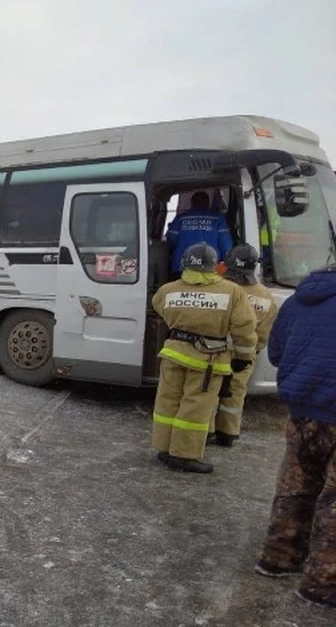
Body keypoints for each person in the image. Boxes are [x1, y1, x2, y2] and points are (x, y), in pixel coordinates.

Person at [254, 265, 336, 609]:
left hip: (302, 412)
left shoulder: (300, 300)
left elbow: (276, 352)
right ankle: (322, 584)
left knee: (295, 487)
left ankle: (279, 557)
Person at [150, 242, 257, 474]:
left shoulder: (168, 290)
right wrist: (243, 357)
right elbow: (245, 328)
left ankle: (164, 449)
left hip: (173, 355)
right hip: (207, 361)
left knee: (167, 402)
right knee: (195, 408)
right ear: (214, 267)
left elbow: (158, 306)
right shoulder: (232, 292)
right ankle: (184, 455)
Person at [209, 244, 279, 447]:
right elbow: (263, 334)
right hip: (246, 355)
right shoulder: (266, 296)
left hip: (215, 351)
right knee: (235, 393)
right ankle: (228, 433)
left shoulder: (220, 287)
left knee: (209, 391)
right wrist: (250, 352)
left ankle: (206, 431)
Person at [166, 191, 234, 277]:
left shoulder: (181, 218)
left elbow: (171, 240)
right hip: (210, 268)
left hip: (181, 268)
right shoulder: (218, 218)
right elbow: (226, 246)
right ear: (208, 203)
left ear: (191, 203)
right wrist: (228, 266)